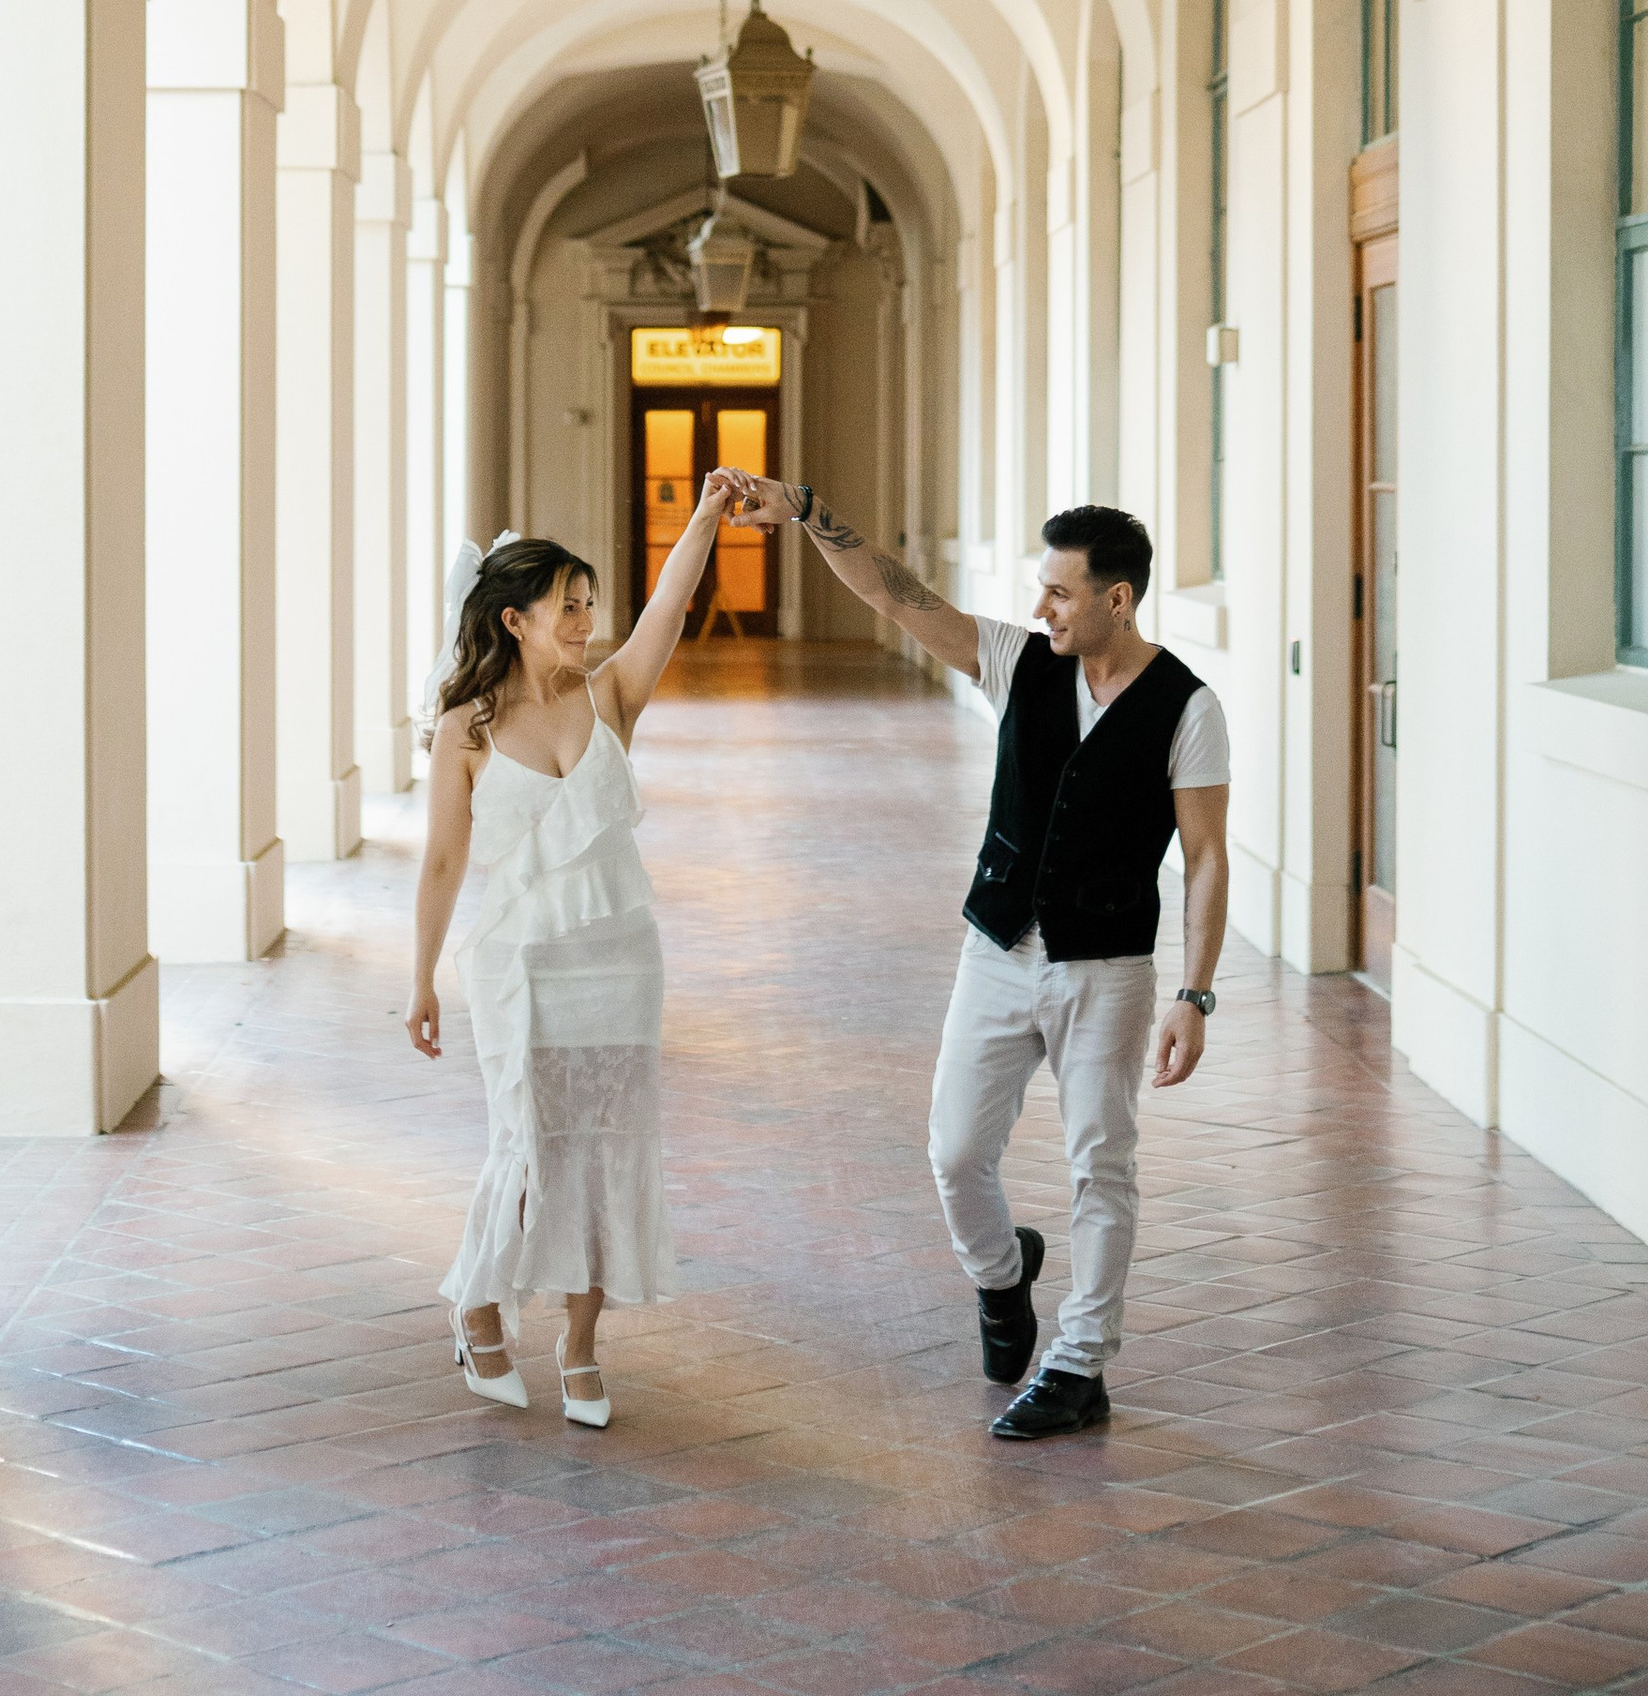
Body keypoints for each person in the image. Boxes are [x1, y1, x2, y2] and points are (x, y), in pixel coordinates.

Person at [737, 485, 1228, 1438]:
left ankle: (1081, 1362)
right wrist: (802, 509)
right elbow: (895, 596)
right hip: (997, 951)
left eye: (1059, 593)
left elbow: (1204, 858)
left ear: (1116, 601)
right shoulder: (1019, 661)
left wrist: (1193, 993)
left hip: (1108, 969)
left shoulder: (1187, 708)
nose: (1041, 608)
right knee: (955, 1150)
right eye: (1040, 590)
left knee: (1103, 1164)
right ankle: (1004, 1277)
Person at [406, 473, 744, 1428]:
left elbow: (672, 605)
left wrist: (707, 517)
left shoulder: (612, 698)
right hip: (520, 966)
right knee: (528, 1145)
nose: (588, 622)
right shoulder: (465, 728)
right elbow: (440, 860)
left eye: (592, 604)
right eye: (569, 608)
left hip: (622, 956)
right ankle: (477, 1307)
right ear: (514, 621)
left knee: (607, 1151)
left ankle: (582, 1346)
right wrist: (421, 977)